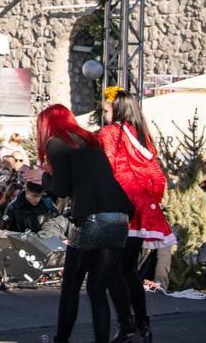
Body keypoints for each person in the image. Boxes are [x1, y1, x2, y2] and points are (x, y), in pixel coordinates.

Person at [21, 104, 133, 343]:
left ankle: (62, 339)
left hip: (92, 218)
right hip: (119, 217)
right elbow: (83, 179)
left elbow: (61, 189)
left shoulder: (56, 143)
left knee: (71, 284)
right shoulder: (91, 140)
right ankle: (119, 332)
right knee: (97, 288)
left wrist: (43, 177)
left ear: (46, 126)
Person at [98, 88, 175, 343]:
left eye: (106, 110)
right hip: (143, 209)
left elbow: (108, 168)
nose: (104, 115)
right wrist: (150, 204)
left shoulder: (110, 133)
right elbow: (158, 178)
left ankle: (127, 324)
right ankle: (142, 324)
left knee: (111, 269)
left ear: (117, 109)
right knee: (126, 267)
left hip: (120, 206)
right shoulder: (142, 136)